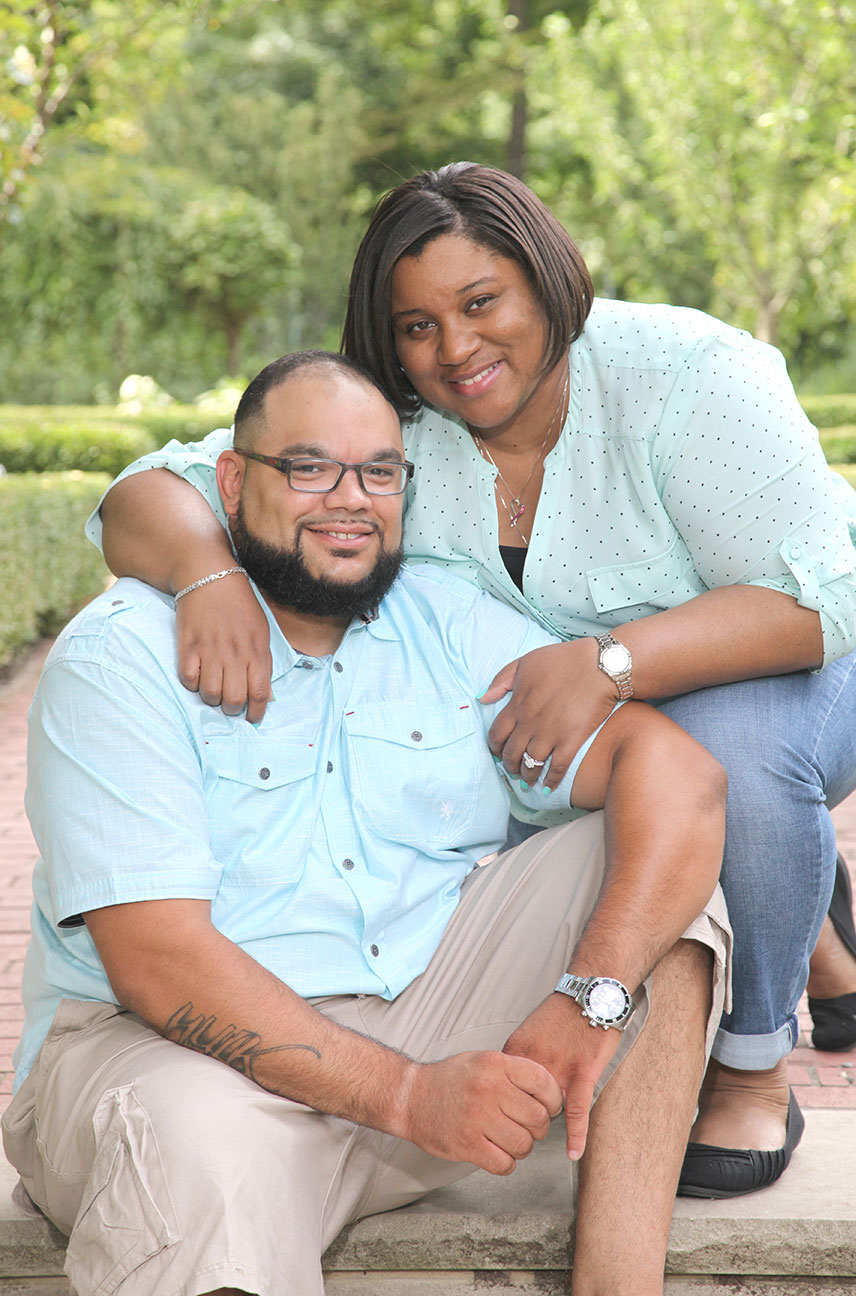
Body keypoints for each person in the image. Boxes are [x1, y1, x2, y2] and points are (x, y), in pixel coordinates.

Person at [93, 164, 856, 1197]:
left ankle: (754, 1063)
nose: (454, 350)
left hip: (784, 661)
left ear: (545, 279)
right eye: (415, 325)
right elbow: (140, 495)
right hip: (582, 720)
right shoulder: (397, 425)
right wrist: (206, 574)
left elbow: (819, 605)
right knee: (496, 774)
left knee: (731, 757)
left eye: (480, 303)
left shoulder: (688, 373)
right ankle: (795, 897)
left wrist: (611, 665)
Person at [2, 351, 730, 1296]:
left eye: (378, 472)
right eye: (308, 467)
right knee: (193, 1152)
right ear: (231, 480)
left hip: (420, 1006)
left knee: (661, 881)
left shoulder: (446, 622)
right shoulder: (124, 656)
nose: (349, 499)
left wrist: (584, 994)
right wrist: (408, 1096)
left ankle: (617, 1286)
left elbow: (680, 777)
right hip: (175, 1056)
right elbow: (156, 961)